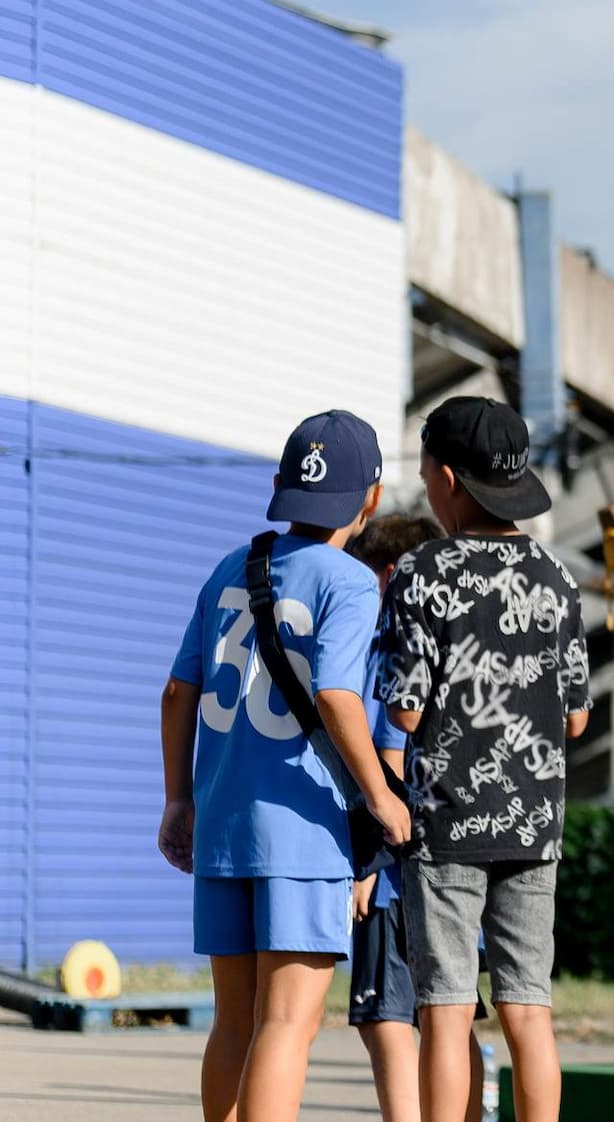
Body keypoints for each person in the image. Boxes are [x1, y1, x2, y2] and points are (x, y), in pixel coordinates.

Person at [157, 410, 411, 1122]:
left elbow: (178, 692)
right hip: (303, 830)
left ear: (280, 485)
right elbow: (336, 693)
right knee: (287, 1024)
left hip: (224, 821)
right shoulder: (353, 583)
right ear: (372, 499)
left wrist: (179, 800)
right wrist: (381, 799)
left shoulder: (229, 568)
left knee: (233, 1021)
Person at [376, 397, 592, 1122]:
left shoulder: (423, 573)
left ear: (444, 478)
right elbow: (578, 713)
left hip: (447, 819)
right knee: (528, 1006)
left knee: (444, 1006)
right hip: (534, 820)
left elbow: (404, 710)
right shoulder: (556, 577)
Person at [345, 514, 492, 1122]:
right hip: (460, 855)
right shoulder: (462, 645)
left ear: (388, 578)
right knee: (453, 1012)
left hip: (399, 873)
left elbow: (388, 755)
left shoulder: (394, 645)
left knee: (386, 1018)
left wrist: (369, 862)